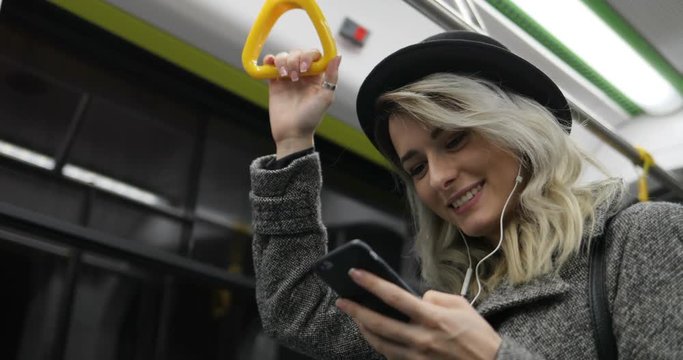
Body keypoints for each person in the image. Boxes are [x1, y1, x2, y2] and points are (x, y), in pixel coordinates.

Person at [249, 31, 683, 359]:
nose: (437, 178)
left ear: (520, 134)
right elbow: (296, 310)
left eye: (455, 141)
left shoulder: (638, 240)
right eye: (416, 167)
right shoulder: (460, 299)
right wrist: (292, 141)